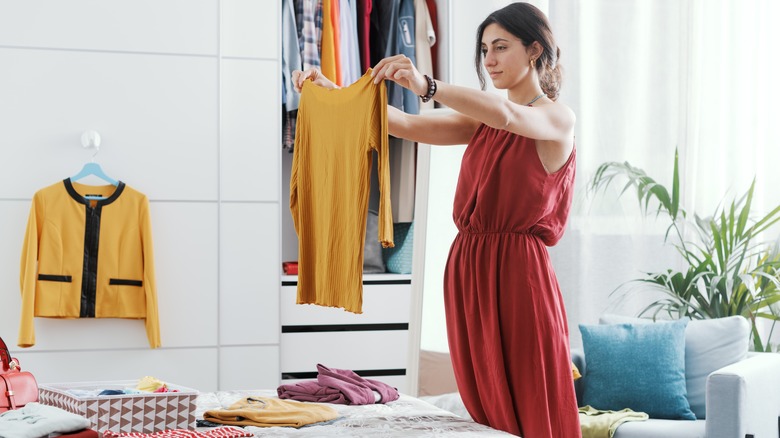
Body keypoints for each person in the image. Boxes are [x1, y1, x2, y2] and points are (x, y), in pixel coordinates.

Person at [292, 3, 579, 436]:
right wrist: (330, 90)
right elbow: (403, 123)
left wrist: (428, 85)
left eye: (501, 48)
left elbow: (510, 115)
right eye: (484, 50)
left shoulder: (556, 117)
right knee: (485, 402)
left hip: (519, 273)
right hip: (468, 268)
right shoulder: (483, 121)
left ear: (535, 50)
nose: (490, 61)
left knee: (530, 392)